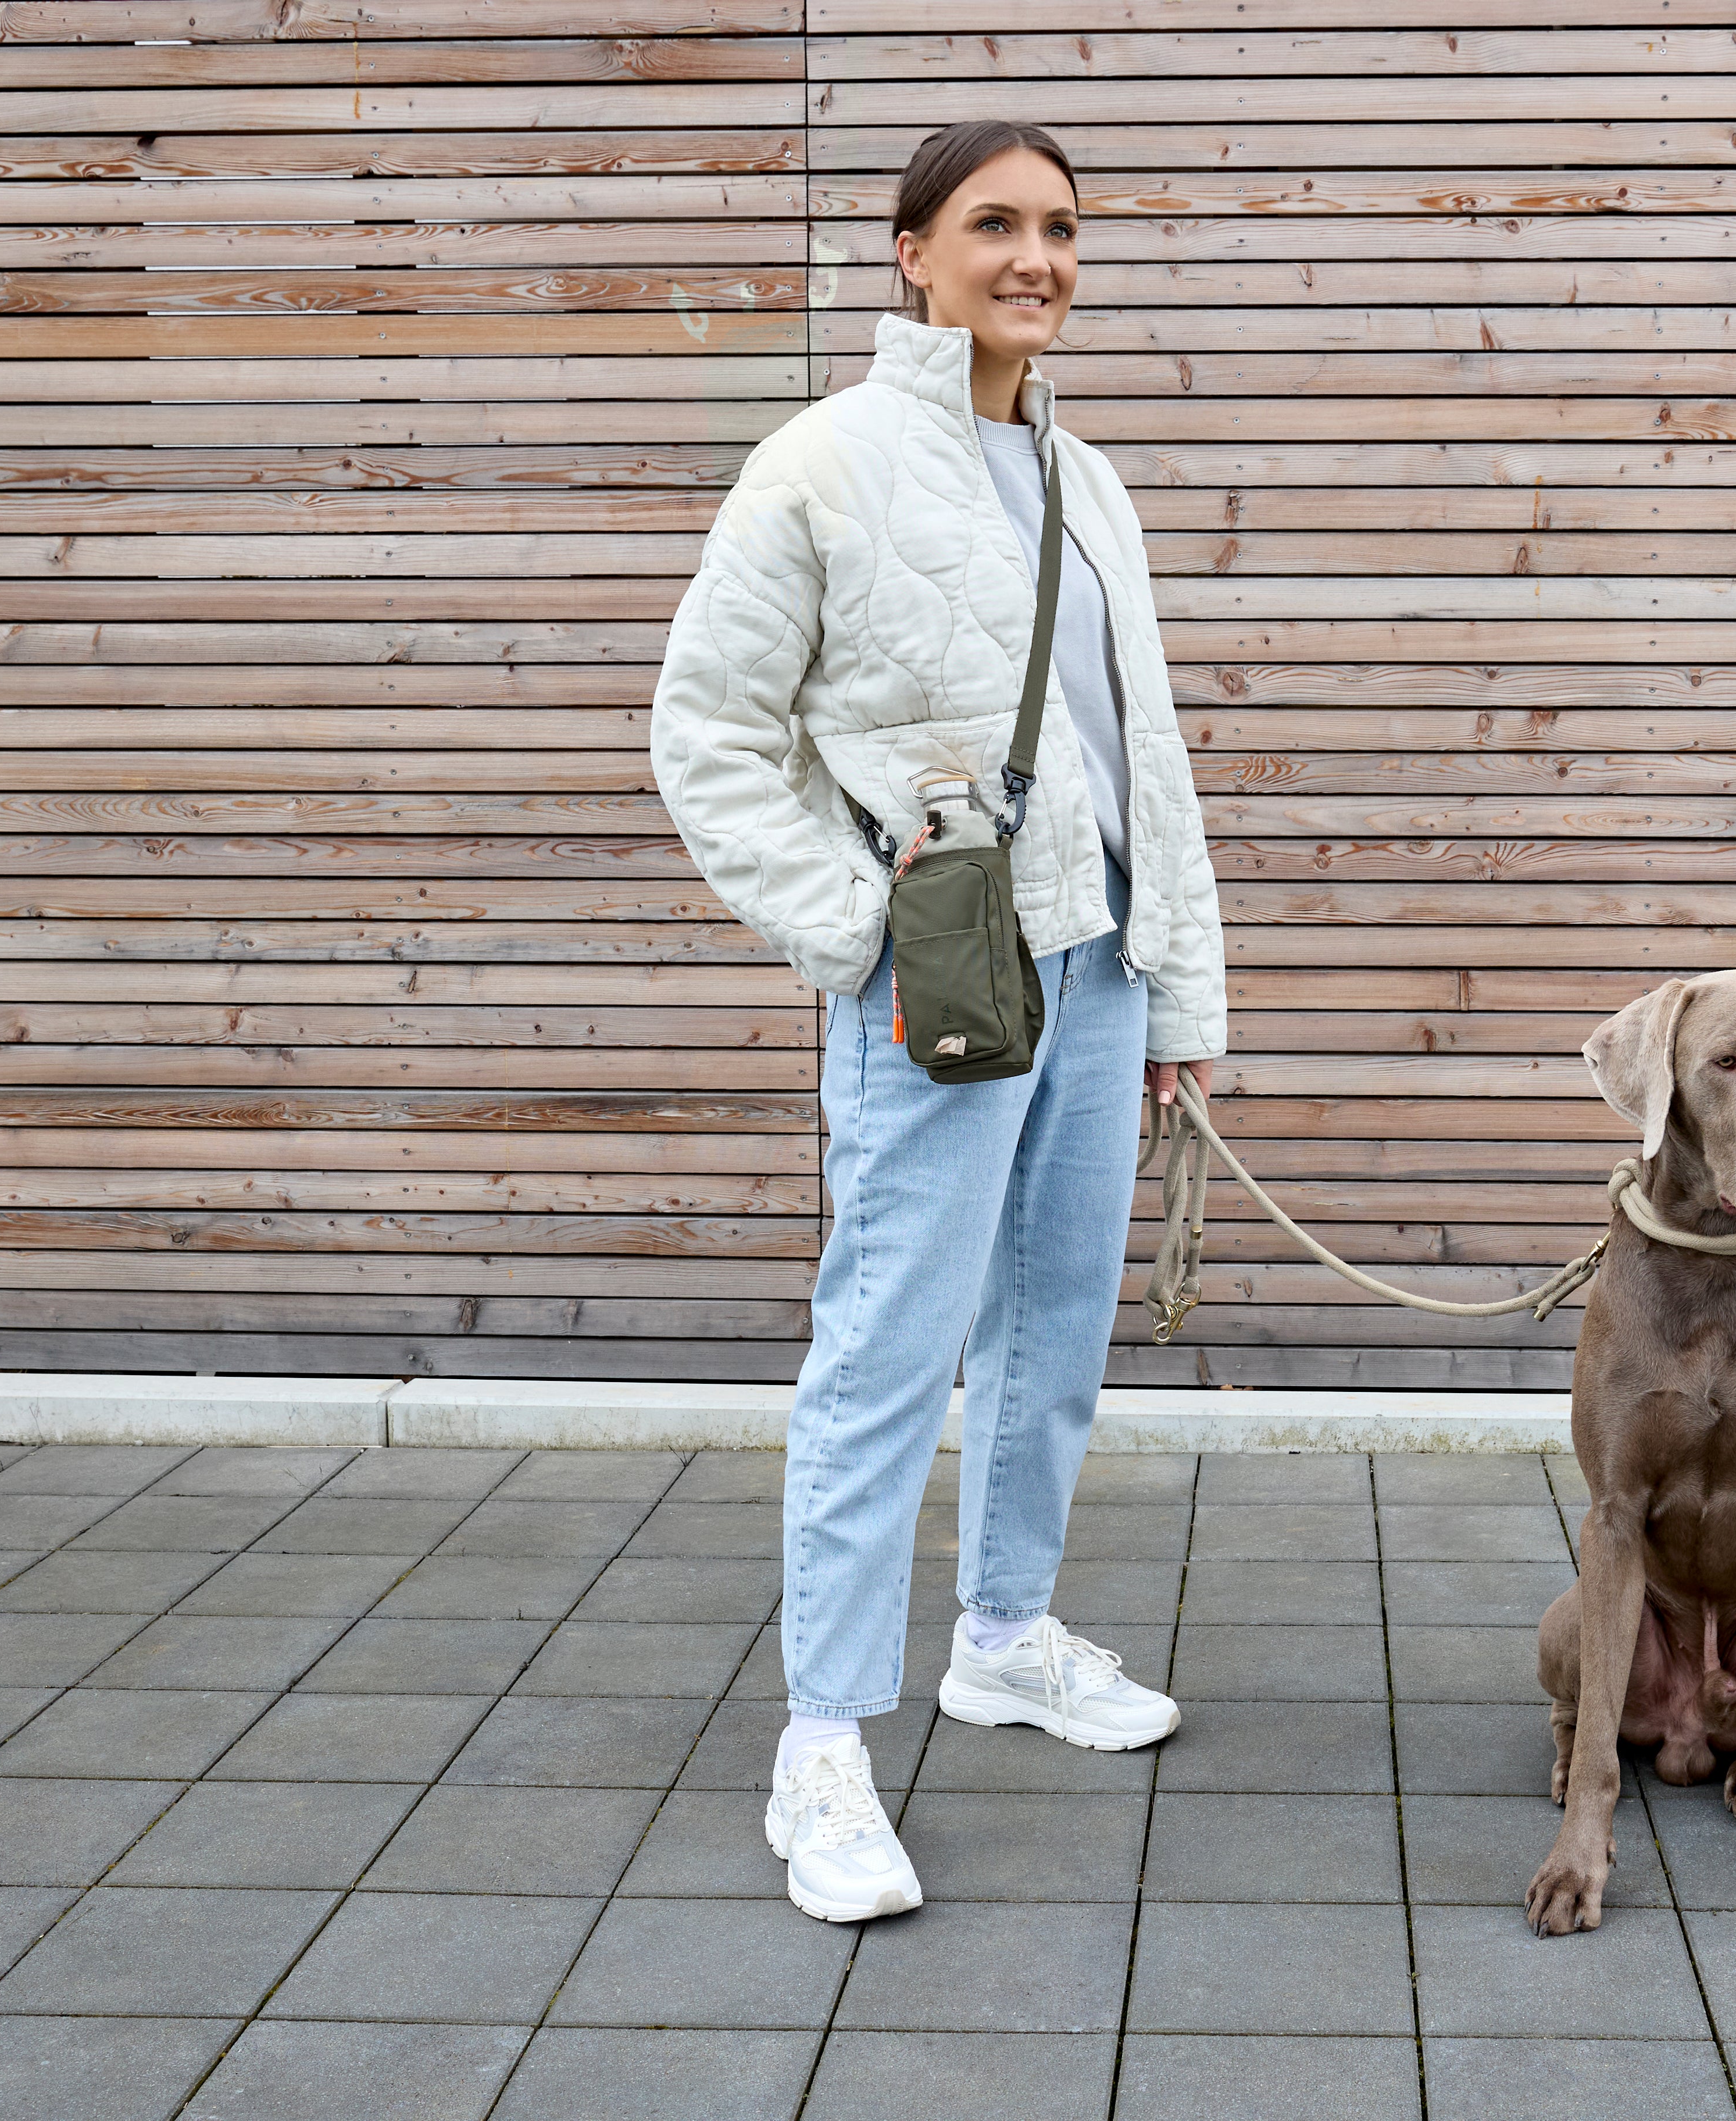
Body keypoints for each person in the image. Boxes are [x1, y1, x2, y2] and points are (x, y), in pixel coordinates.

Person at [647, 119, 1230, 1922]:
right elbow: (704, 730)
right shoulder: (821, 463)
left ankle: (1003, 1635)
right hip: (949, 985)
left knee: (1055, 1334)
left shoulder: (1092, 483)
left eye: (1062, 227)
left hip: (1099, 968)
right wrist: (853, 934)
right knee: (888, 1354)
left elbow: (1150, 762)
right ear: (912, 252)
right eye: (995, 224)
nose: (1036, 257)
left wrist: (1182, 990)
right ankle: (821, 1747)